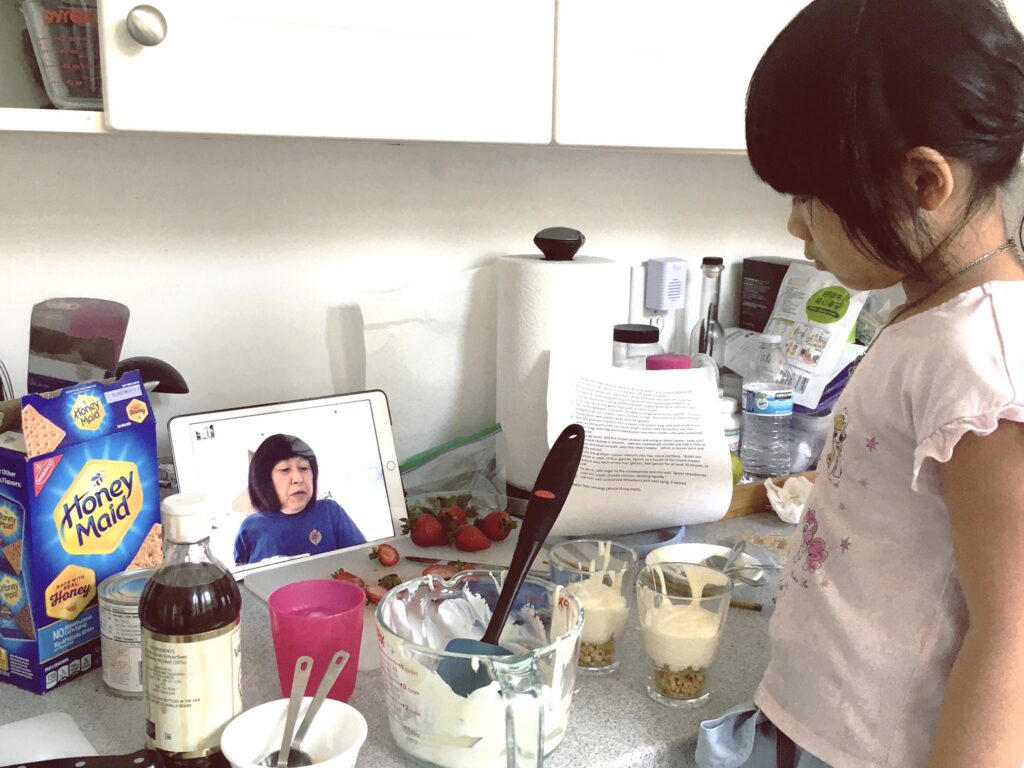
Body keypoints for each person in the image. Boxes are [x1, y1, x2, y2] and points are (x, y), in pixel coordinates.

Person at [696, 1, 1024, 766]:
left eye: (811, 196)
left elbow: (1012, 636)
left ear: (923, 181)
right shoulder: (929, 320)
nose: (795, 227)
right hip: (811, 727)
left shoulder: (984, 362)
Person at [233, 433, 366, 565]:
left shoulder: (330, 512)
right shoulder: (250, 528)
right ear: (265, 480)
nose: (298, 478)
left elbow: (363, 558)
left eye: (304, 468)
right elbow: (241, 577)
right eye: (285, 469)